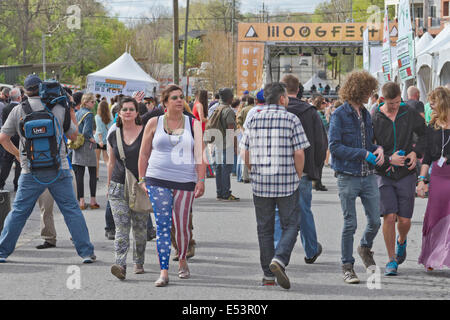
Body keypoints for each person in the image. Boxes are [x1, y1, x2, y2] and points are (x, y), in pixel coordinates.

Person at [0, 74, 95, 264]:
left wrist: (19, 155)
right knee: (71, 210)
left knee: (19, 211)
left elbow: (3, 138)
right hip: (59, 168)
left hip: (30, 170)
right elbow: (75, 136)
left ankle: (2, 252)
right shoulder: (59, 108)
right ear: (42, 88)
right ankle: (85, 252)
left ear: (24, 91)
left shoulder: (19, 110)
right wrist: (70, 112)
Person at [240, 82, 310, 289]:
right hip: (286, 181)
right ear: (282, 99)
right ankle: (279, 258)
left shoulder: (253, 118)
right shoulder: (291, 119)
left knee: (264, 228)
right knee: (292, 224)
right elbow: (299, 152)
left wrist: (253, 170)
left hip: (261, 182)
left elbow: (245, 151)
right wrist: (297, 175)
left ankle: (268, 275)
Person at [138, 84, 206, 287]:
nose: (179, 100)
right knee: (163, 225)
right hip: (157, 178)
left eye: (181, 97)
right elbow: (143, 153)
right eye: (174, 97)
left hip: (185, 181)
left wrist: (201, 180)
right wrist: (142, 179)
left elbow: (200, 154)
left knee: (182, 225)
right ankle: (164, 270)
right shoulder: (153, 122)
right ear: (165, 102)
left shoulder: (193, 124)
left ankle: (183, 258)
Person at [328, 70, 384, 284]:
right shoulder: (340, 114)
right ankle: (347, 266)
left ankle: (364, 247)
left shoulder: (366, 114)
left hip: (368, 175)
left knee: (375, 221)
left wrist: (377, 149)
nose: (371, 94)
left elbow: (367, 143)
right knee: (349, 222)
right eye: (369, 91)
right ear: (359, 90)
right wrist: (364, 153)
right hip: (348, 175)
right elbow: (334, 147)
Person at [372, 82, 427, 276]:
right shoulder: (375, 117)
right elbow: (369, 148)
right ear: (382, 100)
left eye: (397, 102)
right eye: (391, 103)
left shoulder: (408, 112)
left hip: (405, 173)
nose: (395, 106)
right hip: (384, 173)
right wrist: (388, 159)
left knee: (404, 220)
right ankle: (391, 260)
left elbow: (425, 135)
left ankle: (401, 240)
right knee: (389, 216)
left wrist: (415, 152)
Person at [278, 74, 328, 264]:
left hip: (278, 169)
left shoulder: (275, 110)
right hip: (304, 169)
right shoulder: (310, 112)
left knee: (278, 212)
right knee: (304, 210)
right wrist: (316, 170)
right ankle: (311, 249)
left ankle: (278, 250)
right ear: (299, 89)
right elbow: (320, 143)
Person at [107, 96, 148, 280]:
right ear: (119, 113)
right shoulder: (113, 134)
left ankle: (138, 261)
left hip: (140, 186)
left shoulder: (146, 132)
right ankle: (120, 264)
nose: (128, 112)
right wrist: (108, 186)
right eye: (125, 109)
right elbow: (110, 162)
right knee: (122, 227)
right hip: (118, 186)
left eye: (132, 109)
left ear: (137, 112)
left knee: (140, 228)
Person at [417, 86, 450, 270]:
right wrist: (421, 181)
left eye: (434, 101)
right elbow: (427, 158)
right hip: (438, 177)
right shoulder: (431, 128)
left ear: (444, 102)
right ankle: (432, 256)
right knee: (435, 218)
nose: (430, 104)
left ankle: (445, 256)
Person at [72, 93, 99, 210]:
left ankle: (81, 201)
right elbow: (87, 131)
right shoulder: (89, 114)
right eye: (92, 102)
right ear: (86, 102)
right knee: (93, 172)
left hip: (76, 145)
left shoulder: (76, 113)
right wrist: (92, 138)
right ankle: (93, 201)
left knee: (79, 174)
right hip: (87, 145)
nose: (94, 104)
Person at [211, 88, 239, 201]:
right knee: (226, 169)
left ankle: (219, 192)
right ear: (229, 98)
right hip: (226, 144)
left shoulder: (216, 109)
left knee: (218, 168)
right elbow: (231, 130)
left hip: (217, 143)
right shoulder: (229, 111)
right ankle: (226, 193)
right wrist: (235, 146)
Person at [0, 88, 22, 191]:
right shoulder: (21, 108)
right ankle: (17, 184)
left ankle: (1, 182)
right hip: (19, 139)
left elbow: (4, 125)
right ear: (19, 97)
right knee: (19, 162)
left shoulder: (5, 108)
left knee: (6, 163)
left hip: (8, 139)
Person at [311, 95, 329, 192]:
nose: (325, 104)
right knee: (319, 164)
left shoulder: (318, 113)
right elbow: (326, 125)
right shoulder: (317, 114)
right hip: (319, 142)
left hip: (321, 140)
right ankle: (317, 183)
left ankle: (317, 182)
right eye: (323, 102)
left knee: (319, 164)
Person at [94, 101, 113, 180]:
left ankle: (97, 175)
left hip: (99, 140)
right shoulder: (110, 116)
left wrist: (100, 140)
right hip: (107, 140)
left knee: (96, 159)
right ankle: (110, 175)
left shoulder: (97, 116)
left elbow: (99, 130)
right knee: (106, 159)